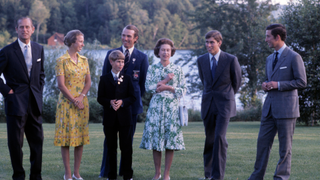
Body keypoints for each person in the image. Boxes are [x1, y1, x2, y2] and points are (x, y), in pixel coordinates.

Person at [247, 24, 307, 180]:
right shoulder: (269, 58)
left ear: (277, 37)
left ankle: (280, 177)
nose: (265, 39)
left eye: (268, 36)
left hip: (287, 110)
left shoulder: (294, 57)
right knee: (262, 145)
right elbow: (270, 79)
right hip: (269, 109)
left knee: (284, 149)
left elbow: (301, 82)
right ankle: (256, 177)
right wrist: (266, 85)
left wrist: (278, 85)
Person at [100, 25, 149, 178]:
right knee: (110, 143)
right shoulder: (111, 54)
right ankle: (107, 172)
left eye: (129, 36)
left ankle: (125, 172)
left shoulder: (142, 57)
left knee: (127, 142)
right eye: (123, 35)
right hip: (111, 107)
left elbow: (141, 84)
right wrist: (112, 101)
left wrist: (127, 100)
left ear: (136, 38)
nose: (125, 38)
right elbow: (105, 79)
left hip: (130, 107)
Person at [0, 16, 45, 180]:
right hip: (15, 103)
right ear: (16, 29)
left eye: (27, 27)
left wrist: (38, 91)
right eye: (21, 27)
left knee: (38, 141)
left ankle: (36, 175)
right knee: (15, 144)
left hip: (34, 103)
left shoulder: (39, 48)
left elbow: (41, 74)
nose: (24, 30)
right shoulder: (6, 51)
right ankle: (18, 175)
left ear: (33, 29)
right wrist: (7, 92)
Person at [197, 30, 242, 180]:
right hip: (208, 105)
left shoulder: (230, 59)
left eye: (212, 42)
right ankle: (208, 174)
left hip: (224, 106)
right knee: (209, 139)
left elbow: (237, 83)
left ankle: (217, 176)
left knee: (219, 138)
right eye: (207, 42)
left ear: (219, 43)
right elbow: (205, 82)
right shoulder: (201, 60)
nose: (208, 45)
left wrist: (226, 96)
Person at [140, 38, 186, 180]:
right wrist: (165, 80)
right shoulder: (152, 68)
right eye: (163, 50)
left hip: (172, 108)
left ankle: (166, 174)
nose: (165, 52)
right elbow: (148, 87)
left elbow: (183, 90)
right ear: (158, 52)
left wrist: (168, 87)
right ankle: (157, 173)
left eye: (168, 50)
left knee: (170, 142)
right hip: (156, 108)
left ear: (171, 52)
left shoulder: (178, 70)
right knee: (156, 141)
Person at [53, 30, 91, 180]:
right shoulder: (61, 60)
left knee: (80, 139)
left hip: (82, 104)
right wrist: (74, 101)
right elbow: (61, 85)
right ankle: (67, 174)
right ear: (72, 42)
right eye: (80, 41)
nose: (82, 44)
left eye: (83, 41)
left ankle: (76, 173)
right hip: (67, 105)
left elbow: (88, 82)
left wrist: (81, 98)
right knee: (66, 139)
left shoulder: (84, 60)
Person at [97, 50, 136, 180]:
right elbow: (100, 98)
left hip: (125, 119)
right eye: (118, 61)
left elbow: (133, 97)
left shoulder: (128, 78)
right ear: (111, 62)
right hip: (110, 119)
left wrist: (122, 102)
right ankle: (111, 175)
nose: (121, 64)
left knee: (126, 147)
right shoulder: (104, 79)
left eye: (122, 61)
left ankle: (127, 174)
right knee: (111, 148)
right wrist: (109, 102)